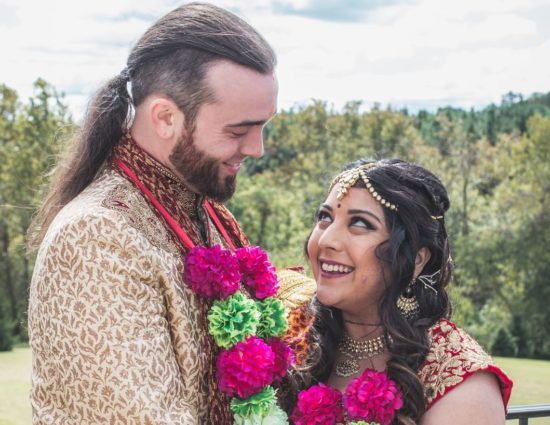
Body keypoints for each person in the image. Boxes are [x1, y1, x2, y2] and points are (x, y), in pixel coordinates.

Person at [27, 3, 313, 423]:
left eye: (262, 127)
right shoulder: (95, 237)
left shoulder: (208, 213)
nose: (257, 149)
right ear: (165, 117)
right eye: (238, 130)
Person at [283, 159, 512, 425]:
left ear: (416, 259)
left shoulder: (458, 379)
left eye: (360, 223)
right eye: (325, 218)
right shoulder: (296, 335)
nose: (326, 240)